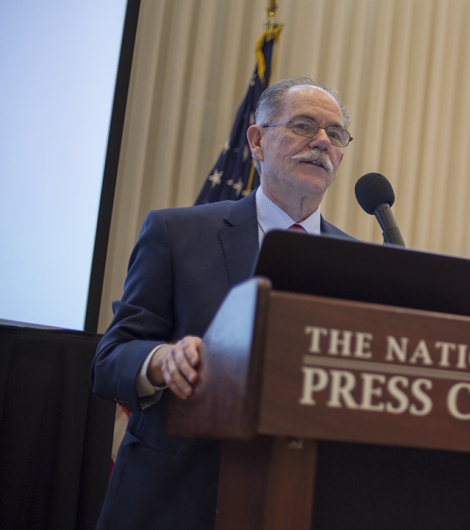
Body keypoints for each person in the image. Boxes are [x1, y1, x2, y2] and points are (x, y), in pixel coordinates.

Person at [91, 77, 355, 529]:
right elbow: (111, 358)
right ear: (256, 140)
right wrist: (163, 360)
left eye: (336, 134)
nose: (322, 142)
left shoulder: (356, 263)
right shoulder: (177, 234)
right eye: (304, 125)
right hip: (177, 498)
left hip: (301, 501)